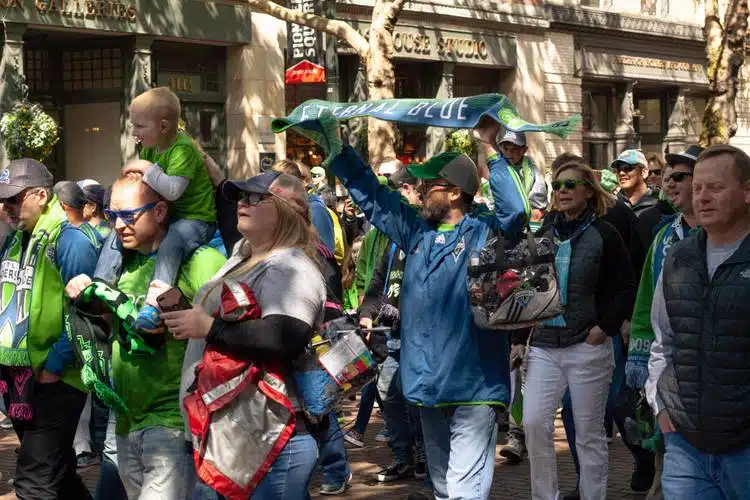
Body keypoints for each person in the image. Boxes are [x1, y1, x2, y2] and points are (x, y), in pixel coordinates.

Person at [329, 119, 527, 499]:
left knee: (463, 491)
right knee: (441, 488)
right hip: (426, 388)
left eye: (428, 184)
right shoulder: (415, 231)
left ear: (454, 193)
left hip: (474, 388)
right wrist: (337, 150)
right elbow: (372, 197)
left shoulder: (483, 232)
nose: (419, 190)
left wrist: (490, 145)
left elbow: (515, 212)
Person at [167, 171, 327, 499]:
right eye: (241, 197)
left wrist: (210, 327)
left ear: (288, 210)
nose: (243, 202)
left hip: (269, 441)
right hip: (231, 440)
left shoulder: (291, 265)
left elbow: (286, 336)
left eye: (256, 197)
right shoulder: (243, 257)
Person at [65, 172, 226, 500]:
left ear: (162, 211)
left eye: (129, 215)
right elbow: (113, 331)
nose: (119, 225)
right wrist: (88, 298)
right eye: (112, 216)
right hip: (125, 420)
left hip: (173, 421)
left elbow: (230, 332)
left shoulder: (202, 262)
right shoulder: (122, 265)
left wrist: (177, 315)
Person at [520, 160, 636, 500]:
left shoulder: (605, 233)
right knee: (534, 424)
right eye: (558, 186)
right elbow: (526, 289)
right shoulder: (542, 235)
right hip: (544, 343)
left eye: (571, 184)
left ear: (588, 190)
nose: (563, 191)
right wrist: (518, 338)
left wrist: (605, 327)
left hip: (587, 344)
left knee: (588, 433)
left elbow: (626, 286)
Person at [647, 144, 750, 500]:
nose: (703, 197)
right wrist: (658, 403)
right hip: (685, 445)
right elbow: (663, 339)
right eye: (699, 188)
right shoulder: (677, 257)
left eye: (716, 188)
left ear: (747, 191)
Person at [0, 158, 99, 499]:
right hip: (19, 380)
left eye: (15, 199)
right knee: (58, 474)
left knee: (33, 484)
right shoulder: (16, 240)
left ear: (40, 195)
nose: (7, 207)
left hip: (56, 380)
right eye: (4, 201)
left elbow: (86, 312)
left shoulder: (71, 241)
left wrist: (55, 366)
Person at [94, 87, 217, 334]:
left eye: (139, 126)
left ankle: (154, 302)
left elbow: (172, 191)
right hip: (171, 215)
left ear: (163, 126)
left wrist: (145, 167)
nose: (134, 132)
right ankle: (101, 286)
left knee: (172, 241)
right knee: (115, 234)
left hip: (196, 220)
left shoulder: (183, 149)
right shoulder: (151, 147)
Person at [624, 145, 702, 500]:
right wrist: (640, 356)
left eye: (680, 176)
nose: (669, 183)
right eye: (667, 176)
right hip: (670, 368)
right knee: (668, 466)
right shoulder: (663, 237)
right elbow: (646, 302)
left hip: (721, 373)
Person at [359, 166, 427, 484]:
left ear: (416, 192)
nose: (397, 195)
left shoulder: (425, 232)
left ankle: (425, 456)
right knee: (388, 390)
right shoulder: (394, 236)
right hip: (394, 334)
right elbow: (378, 281)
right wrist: (366, 313)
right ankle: (404, 457)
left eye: (401, 190)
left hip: (417, 336)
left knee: (414, 397)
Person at [54, 180, 105, 249]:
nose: (77, 206)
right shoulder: (86, 229)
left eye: (82, 202)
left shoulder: (102, 233)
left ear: (93, 207)